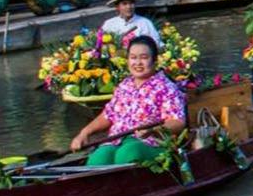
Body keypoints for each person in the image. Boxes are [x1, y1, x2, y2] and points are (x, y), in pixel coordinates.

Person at [72, 36, 188, 166]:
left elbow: (177, 122)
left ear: (155, 61)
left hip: (151, 143)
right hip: (117, 141)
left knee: (129, 152)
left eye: (144, 58)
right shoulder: (124, 86)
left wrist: (154, 130)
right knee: (99, 158)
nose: (138, 63)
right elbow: (108, 115)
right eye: (133, 57)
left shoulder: (166, 88)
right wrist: (84, 133)